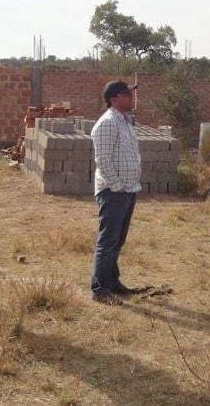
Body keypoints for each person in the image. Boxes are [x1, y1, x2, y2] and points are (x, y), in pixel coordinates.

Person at [90, 80, 142, 305]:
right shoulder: (107, 123)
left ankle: (112, 281)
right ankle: (99, 289)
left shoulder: (125, 122)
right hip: (113, 192)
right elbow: (103, 160)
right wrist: (117, 186)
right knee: (107, 241)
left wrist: (129, 186)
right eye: (126, 94)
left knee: (117, 241)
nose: (131, 97)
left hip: (128, 191)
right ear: (113, 99)